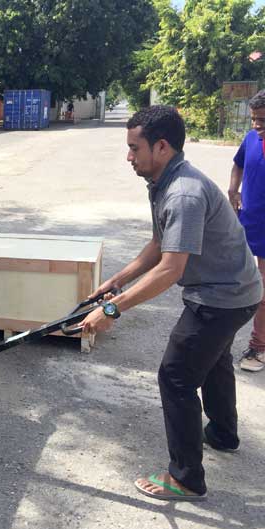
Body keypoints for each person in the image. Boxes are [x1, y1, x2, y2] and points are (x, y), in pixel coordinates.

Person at [82, 105, 262, 501]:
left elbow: (170, 269)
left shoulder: (183, 193)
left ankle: (186, 478)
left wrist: (112, 309)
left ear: (161, 146)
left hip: (222, 298)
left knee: (176, 376)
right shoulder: (164, 181)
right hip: (238, 291)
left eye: (135, 148)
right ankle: (224, 434)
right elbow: (159, 243)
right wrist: (116, 280)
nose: (128, 157)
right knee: (214, 360)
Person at [229, 89, 265, 372]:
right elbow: (238, 163)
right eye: (254, 118)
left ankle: (259, 347)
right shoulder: (252, 138)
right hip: (249, 221)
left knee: (263, 290)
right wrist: (233, 189)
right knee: (234, 281)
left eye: (262, 120)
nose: (256, 125)